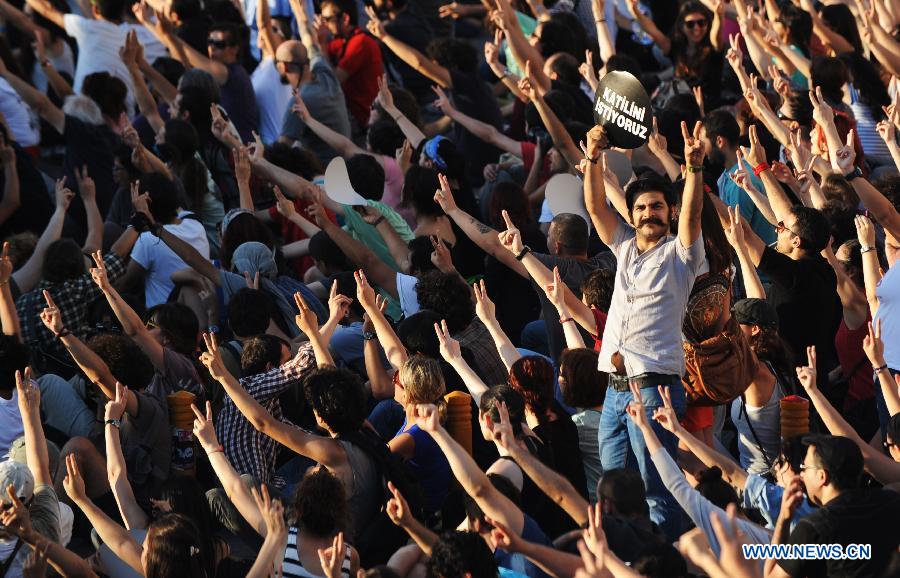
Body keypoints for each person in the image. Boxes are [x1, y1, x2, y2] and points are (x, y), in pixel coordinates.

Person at [584, 121, 706, 541]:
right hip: (615, 391)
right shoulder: (623, 247)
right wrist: (593, 159)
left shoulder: (682, 254)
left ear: (668, 213)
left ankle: (664, 560)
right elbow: (598, 209)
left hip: (654, 389)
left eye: (657, 207)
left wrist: (692, 170)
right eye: (640, 208)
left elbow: (692, 214)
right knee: (611, 492)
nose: (648, 213)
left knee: (657, 492)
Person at [318, 0, 383, 134]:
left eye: (328, 19)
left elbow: (333, 80)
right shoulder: (341, 41)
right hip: (356, 117)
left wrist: (322, 43)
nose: (325, 25)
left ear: (345, 19)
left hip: (367, 122)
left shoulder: (361, 43)